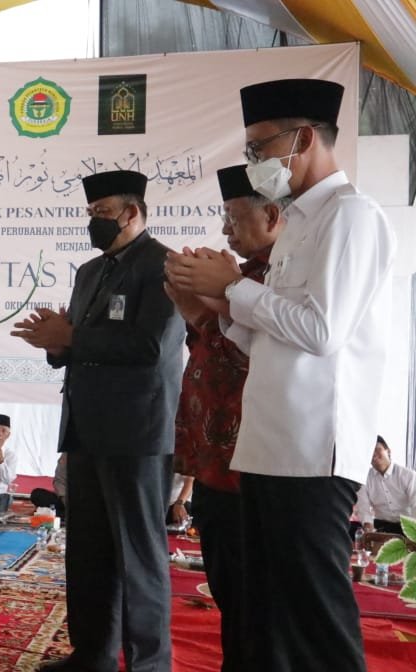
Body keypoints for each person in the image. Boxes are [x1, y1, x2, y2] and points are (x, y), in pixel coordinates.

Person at [165, 78, 396, 672]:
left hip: (312, 451)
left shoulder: (351, 216)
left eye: (260, 147)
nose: (254, 162)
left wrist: (234, 288)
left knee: (315, 622)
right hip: (267, 448)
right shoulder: (297, 224)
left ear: (304, 139)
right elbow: (271, 338)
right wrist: (218, 307)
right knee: (268, 619)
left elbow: (322, 331)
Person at [13, 169, 183, 672]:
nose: (94, 221)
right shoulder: (89, 272)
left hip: (136, 433)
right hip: (85, 430)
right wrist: (55, 343)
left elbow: (151, 347)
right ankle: (93, 655)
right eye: (90, 213)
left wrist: (72, 336)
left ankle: (149, 664)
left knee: (138, 554)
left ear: (132, 213)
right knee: (88, 551)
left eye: (102, 212)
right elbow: (80, 345)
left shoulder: (164, 266)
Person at [164, 163, 283, 671]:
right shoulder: (247, 277)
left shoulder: (283, 279)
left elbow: (260, 357)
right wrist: (193, 310)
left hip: (255, 467)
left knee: (260, 606)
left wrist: (209, 305)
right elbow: (212, 351)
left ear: (272, 215)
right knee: (231, 595)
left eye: (234, 217)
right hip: (215, 466)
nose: (226, 229)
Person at [356, 436, 416, 535]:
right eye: (369, 451)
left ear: (388, 450)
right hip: (381, 526)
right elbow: (363, 507)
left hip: (406, 527)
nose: (373, 453)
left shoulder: (409, 475)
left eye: (377, 449)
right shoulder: (364, 478)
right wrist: (369, 528)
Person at [29, 454, 68, 519]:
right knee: (37, 494)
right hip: (66, 500)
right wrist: (65, 499)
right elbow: (59, 481)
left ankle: (60, 514)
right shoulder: (66, 455)